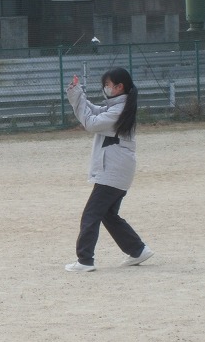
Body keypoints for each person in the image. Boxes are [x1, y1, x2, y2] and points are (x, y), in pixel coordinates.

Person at [64, 67, 153, 272]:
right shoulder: (117, 107)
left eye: (108, 84)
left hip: (113, 170)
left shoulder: (119, 110)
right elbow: (92, 111)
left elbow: (91, 122)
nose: (105, 88)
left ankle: (85, 260)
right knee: (108, 215)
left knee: (91, 214)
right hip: (117, 170)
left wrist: (78, 96)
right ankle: (138, 250)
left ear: (119, 87)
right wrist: (76, 92)